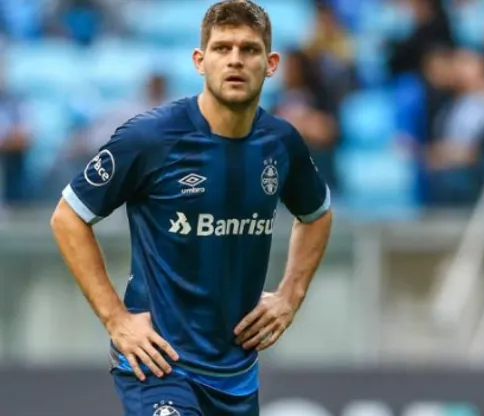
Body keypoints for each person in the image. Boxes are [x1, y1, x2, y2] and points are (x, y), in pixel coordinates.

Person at [49, 1, 333, 415]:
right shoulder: (151, 138)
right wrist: (116, 319)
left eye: (249, 49)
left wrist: (290, 295)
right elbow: (69, 216)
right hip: (159, 364)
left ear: (271, 64)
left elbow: (317, 214)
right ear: (200, 60)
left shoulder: (281, 142)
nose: (235, 60)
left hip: (236, 375)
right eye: (222, 48)